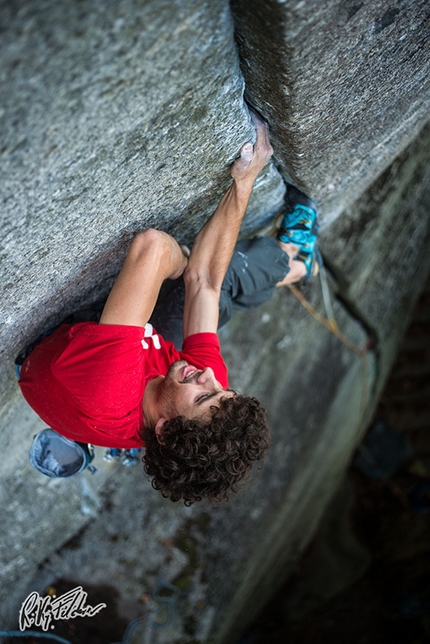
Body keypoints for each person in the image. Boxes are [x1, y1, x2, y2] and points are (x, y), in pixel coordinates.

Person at [18, 113, 320, 505]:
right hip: (111, 372)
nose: (210, 375)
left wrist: (180, 262)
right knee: (219, 291)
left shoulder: (111, 390)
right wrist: (244, 182)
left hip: (88, 364)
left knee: (225, 281)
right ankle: (293, 267)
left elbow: (153, 247)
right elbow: (205, 282)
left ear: (163, 432)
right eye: (222, 389)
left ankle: (291, 260)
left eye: (203, 396)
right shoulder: (201, 389)